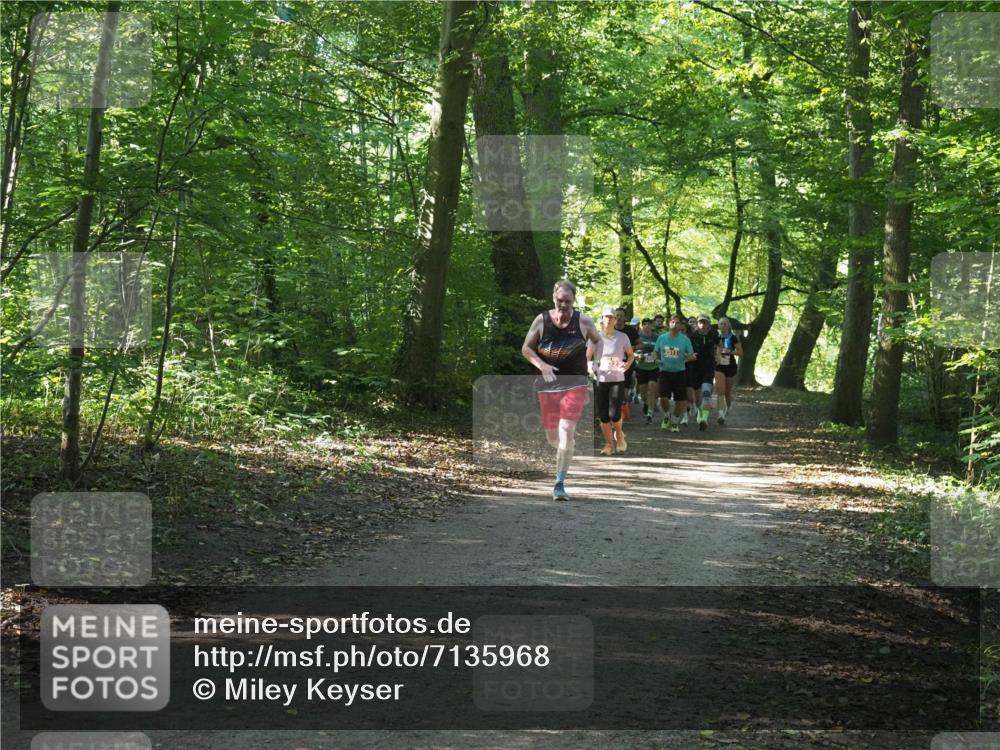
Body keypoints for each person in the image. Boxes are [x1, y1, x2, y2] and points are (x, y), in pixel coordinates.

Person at [522, 280, 600, 501]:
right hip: (548, 385)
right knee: (553, 437)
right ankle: (566, 451)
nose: (563, 305)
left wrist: (593, 361)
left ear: (574, 300)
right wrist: (542, 365)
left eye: (567, 301)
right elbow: (526, 348)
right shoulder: (542, 320)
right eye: (559, 300)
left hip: (576, 383)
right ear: (553, 298)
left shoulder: (583, 321)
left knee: (566, 430)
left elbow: (597, 340)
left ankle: (559, 483)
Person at [588, 306, 635, 455]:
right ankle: (609, 444)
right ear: (601, 319)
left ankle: (619, 435)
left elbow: (631, 355)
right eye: (606, 317)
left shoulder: (622, 337)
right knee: (603, 415)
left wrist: (626, 365)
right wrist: (590, 367)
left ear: (615, 320)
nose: (608, 320)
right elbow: (588, 357)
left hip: (617, 379)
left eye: (611, 317)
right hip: (600, 379)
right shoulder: (595, 337)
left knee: (614, 414)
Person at [654, 314, 695, 433]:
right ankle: (667, 416)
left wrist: (689, 357)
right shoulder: (662, 338)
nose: (675, 325)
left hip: (680, 372)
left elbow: (691, 355)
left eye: (677, 323)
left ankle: (675, 421)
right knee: (663, 398)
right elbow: (655, 352)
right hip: (664, 372)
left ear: (680, 325)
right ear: (668, 324)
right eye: (672, 322)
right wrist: (656, 359)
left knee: (680, 400)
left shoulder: (685, 339)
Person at [689, 315, 719, 430]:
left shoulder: (714, 335)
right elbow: (687, 350)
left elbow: (720, 345)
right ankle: (700, 413)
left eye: (705, 322)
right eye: (700, 322)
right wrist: (689, 356)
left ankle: (704, 419)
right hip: (695, 368)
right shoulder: (692, 337)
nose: (703, 325)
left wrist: (718, 355)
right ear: (697, 324)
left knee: (706, 392)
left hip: (709, 368)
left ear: (709, 324)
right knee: (697, 396)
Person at [714, 316, 743, 425]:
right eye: (721, 324)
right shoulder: (715, 337)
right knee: (720, 390)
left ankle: (727, 408)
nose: (723, 326)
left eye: (725, 324)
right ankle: (720, 414)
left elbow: (741, 353)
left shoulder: (733, 338)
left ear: (729, 326)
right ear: (718, 326)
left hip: (730, 366)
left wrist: (730, 352)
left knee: (727, 391)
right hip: (719, 366)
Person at [614, 308, 640, 415]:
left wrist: (631, 347)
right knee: (614, 389)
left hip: (627, 363)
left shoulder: (631, 330)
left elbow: (640, 344)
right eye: (617, 315)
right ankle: (617, 412)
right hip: (613, 364)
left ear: (625, 318)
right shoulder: (609, 330)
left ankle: (623, 406)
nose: (619, 318)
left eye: (621, 315)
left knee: (624, 390)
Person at [634, 318, 660, 424]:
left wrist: (656, 357)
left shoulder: (657, 337)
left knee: (652, 389)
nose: (647, 326)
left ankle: (649, 413)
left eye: (649, 325)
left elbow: (660, 351)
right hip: (641, 367)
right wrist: (638, 356)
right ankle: (646, 403)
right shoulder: (638, 337)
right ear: (642, 326)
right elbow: (632, 351)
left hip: (653, 367)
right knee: (644, 394)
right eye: (645, 324)